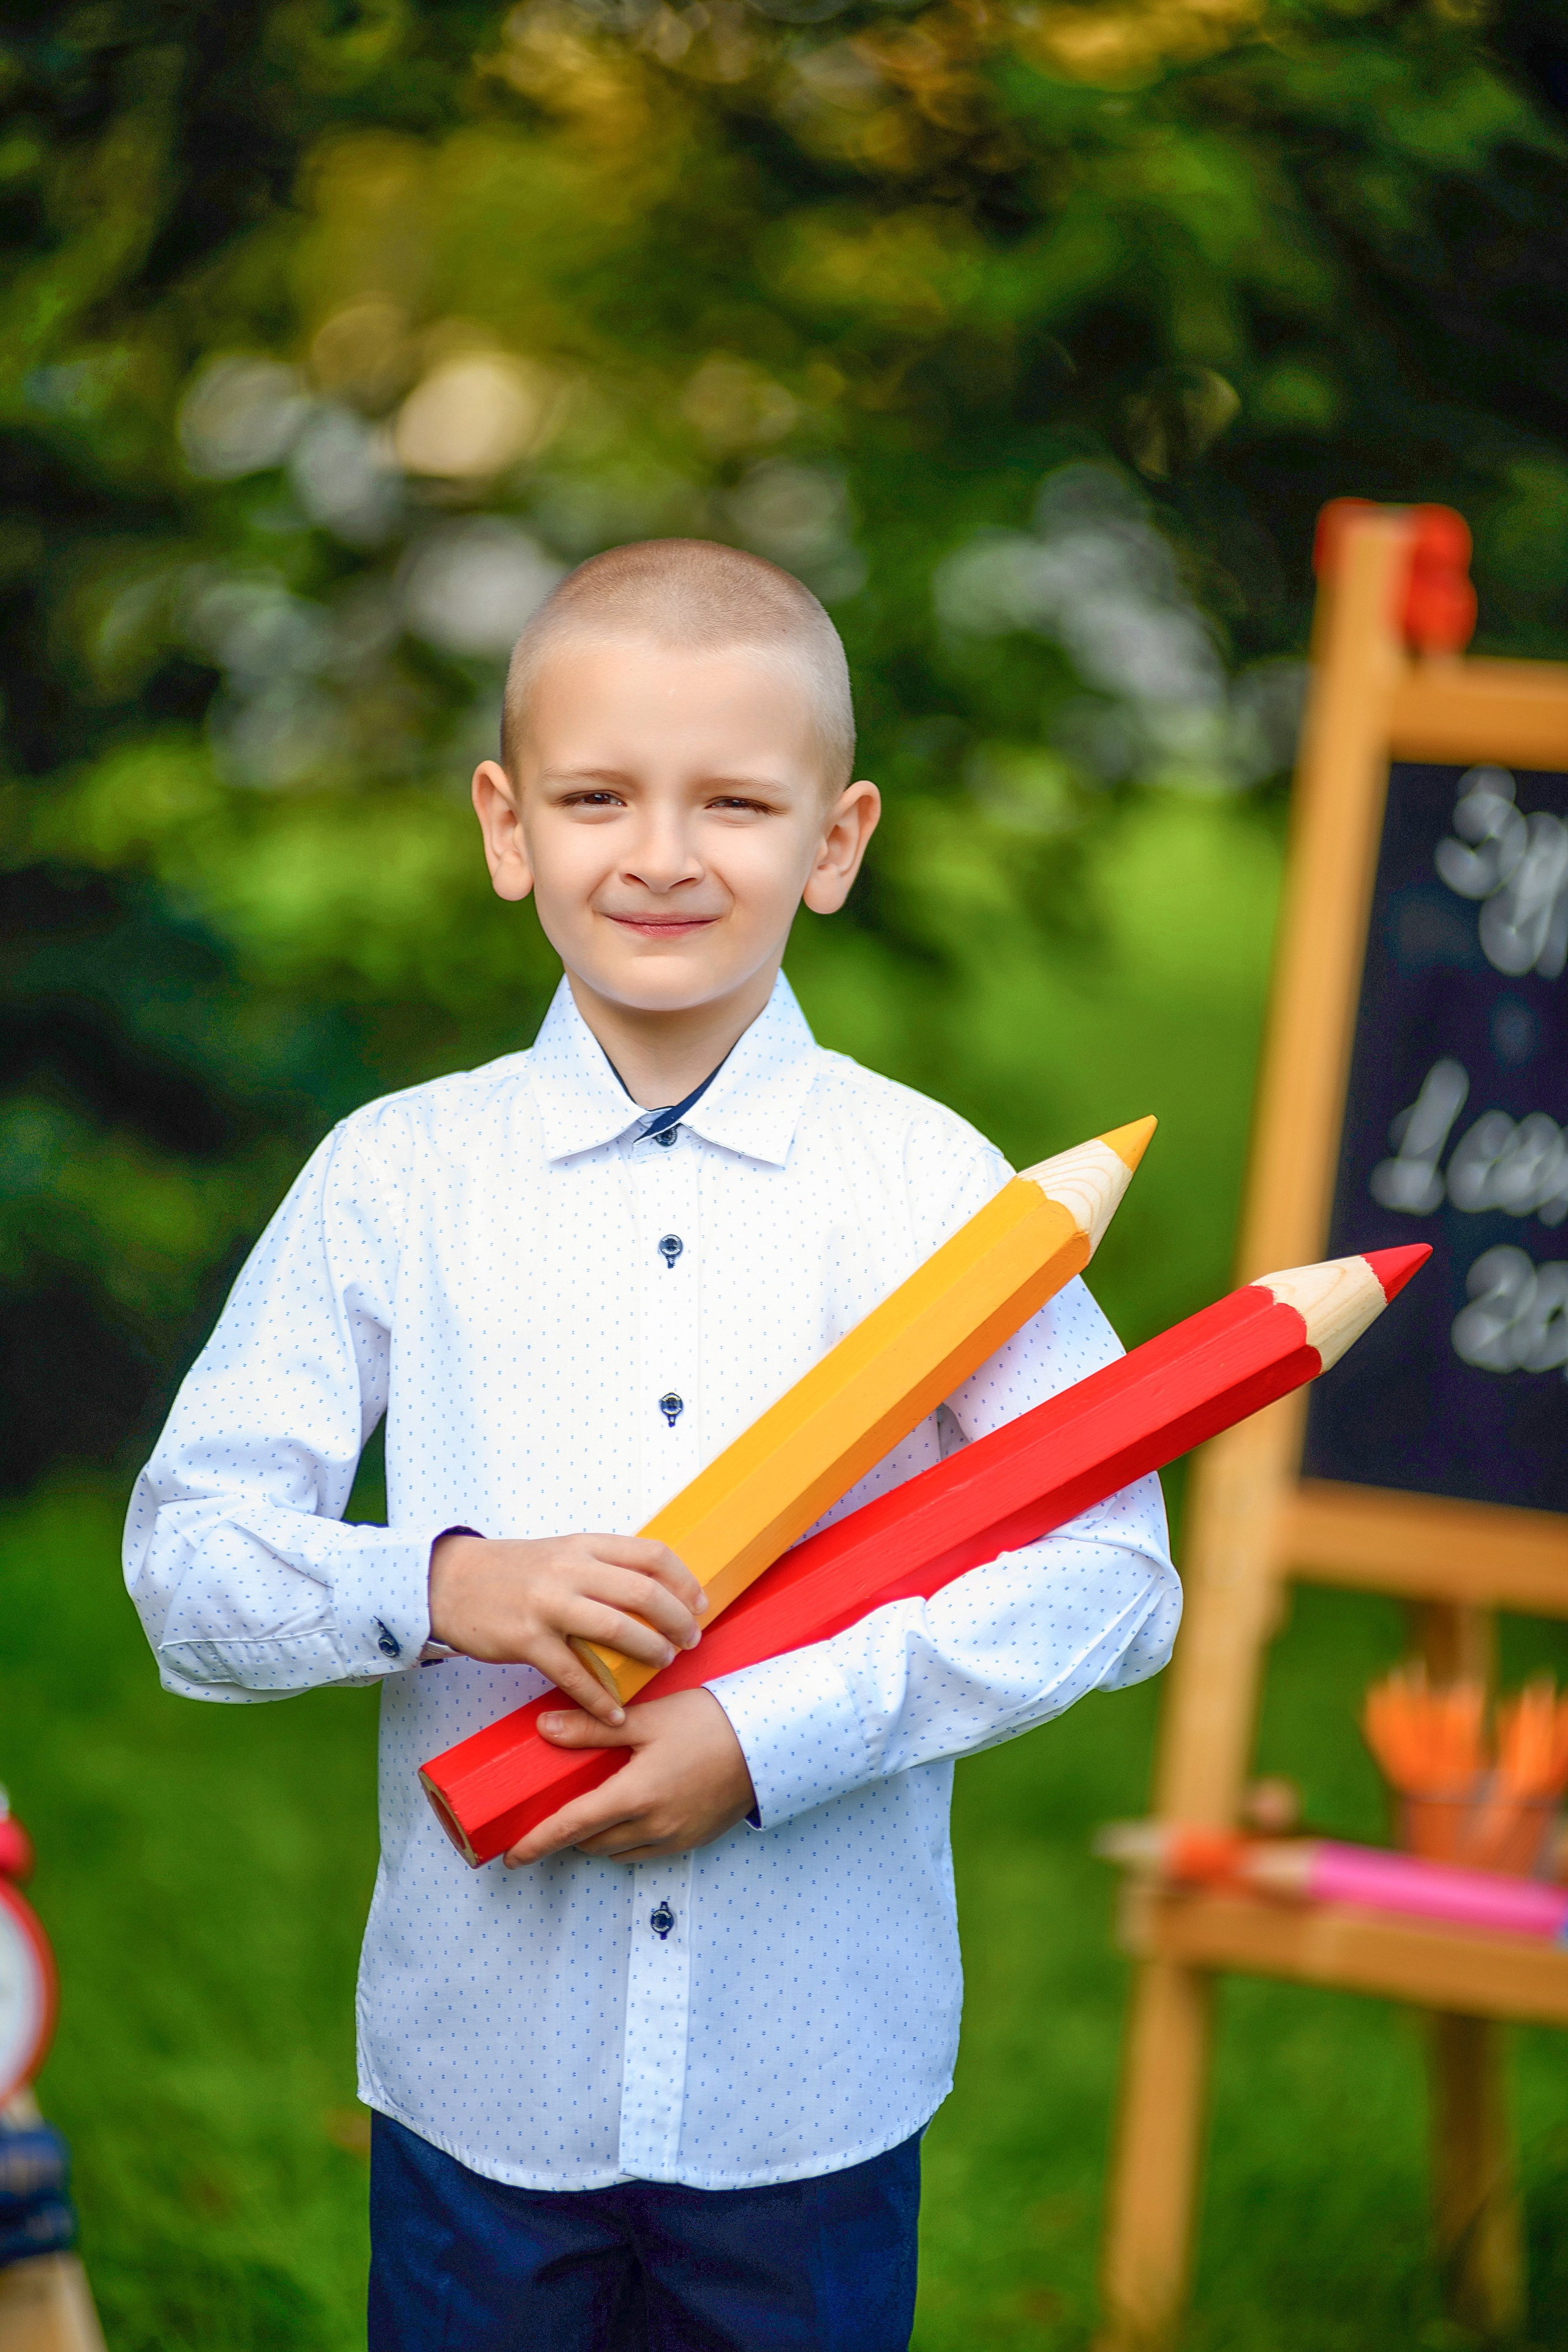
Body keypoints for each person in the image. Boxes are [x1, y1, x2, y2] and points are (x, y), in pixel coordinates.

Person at [124, 538, 1180, 2351]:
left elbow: (1116, 1574)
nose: (664, 853)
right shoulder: (398, 1177)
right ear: (506, 824)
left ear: (836, 842)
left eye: (737, 802)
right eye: (599, 795)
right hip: (482, 2084)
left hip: (811, 2094)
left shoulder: (934, 1191)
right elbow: (188, 1566)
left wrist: (774, 1739)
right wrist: (447, 1586)